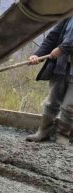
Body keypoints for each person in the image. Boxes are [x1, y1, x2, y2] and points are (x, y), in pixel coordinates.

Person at [26, 16, 73, 144]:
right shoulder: (68, 14)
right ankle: (43, 131)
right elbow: (52, 37)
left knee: (70, 106)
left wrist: (62, 48)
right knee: (52, 101)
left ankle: (63, 135)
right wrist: (38, 55)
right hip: (61, 65)